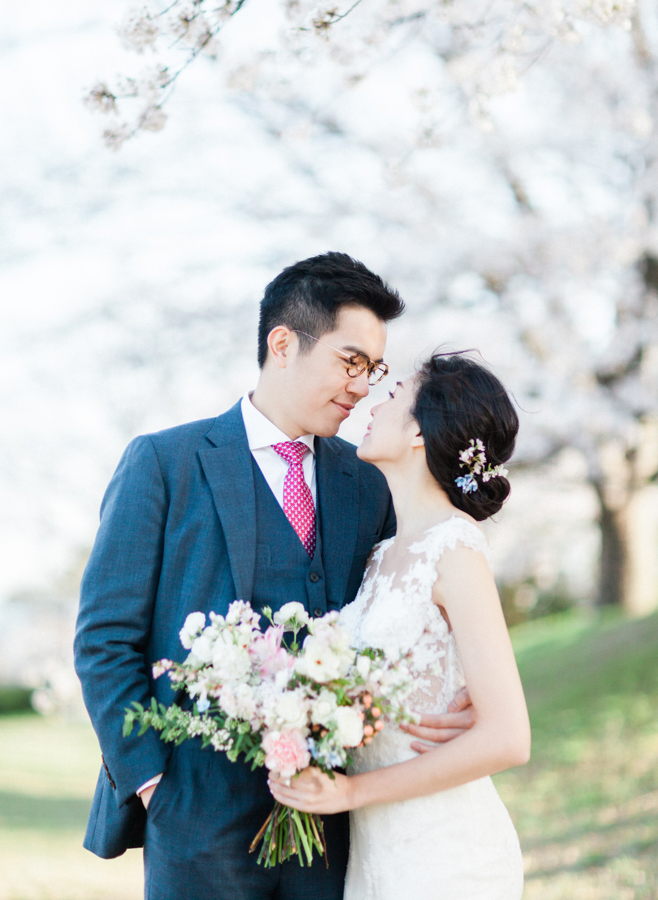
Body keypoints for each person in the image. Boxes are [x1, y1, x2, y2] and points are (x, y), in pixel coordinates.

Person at [74, 253, 472, 900]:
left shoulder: (367, 481)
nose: (362, 386)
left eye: (373, 371)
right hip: (192, 809)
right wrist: (153, 782)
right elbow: (104, 640)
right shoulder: (164, 464)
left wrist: (458, 689)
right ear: (282, 344)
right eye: (350, 362)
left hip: (330, 816)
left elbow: (409, 601)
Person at [269, 352, 530, 900]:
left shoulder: (455, 550)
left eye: (392, 396)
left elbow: (508, 738)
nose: (372, 401)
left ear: (418, 431)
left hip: (445, 855)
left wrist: (351, 792)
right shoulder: (382, 553)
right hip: (379, 852)